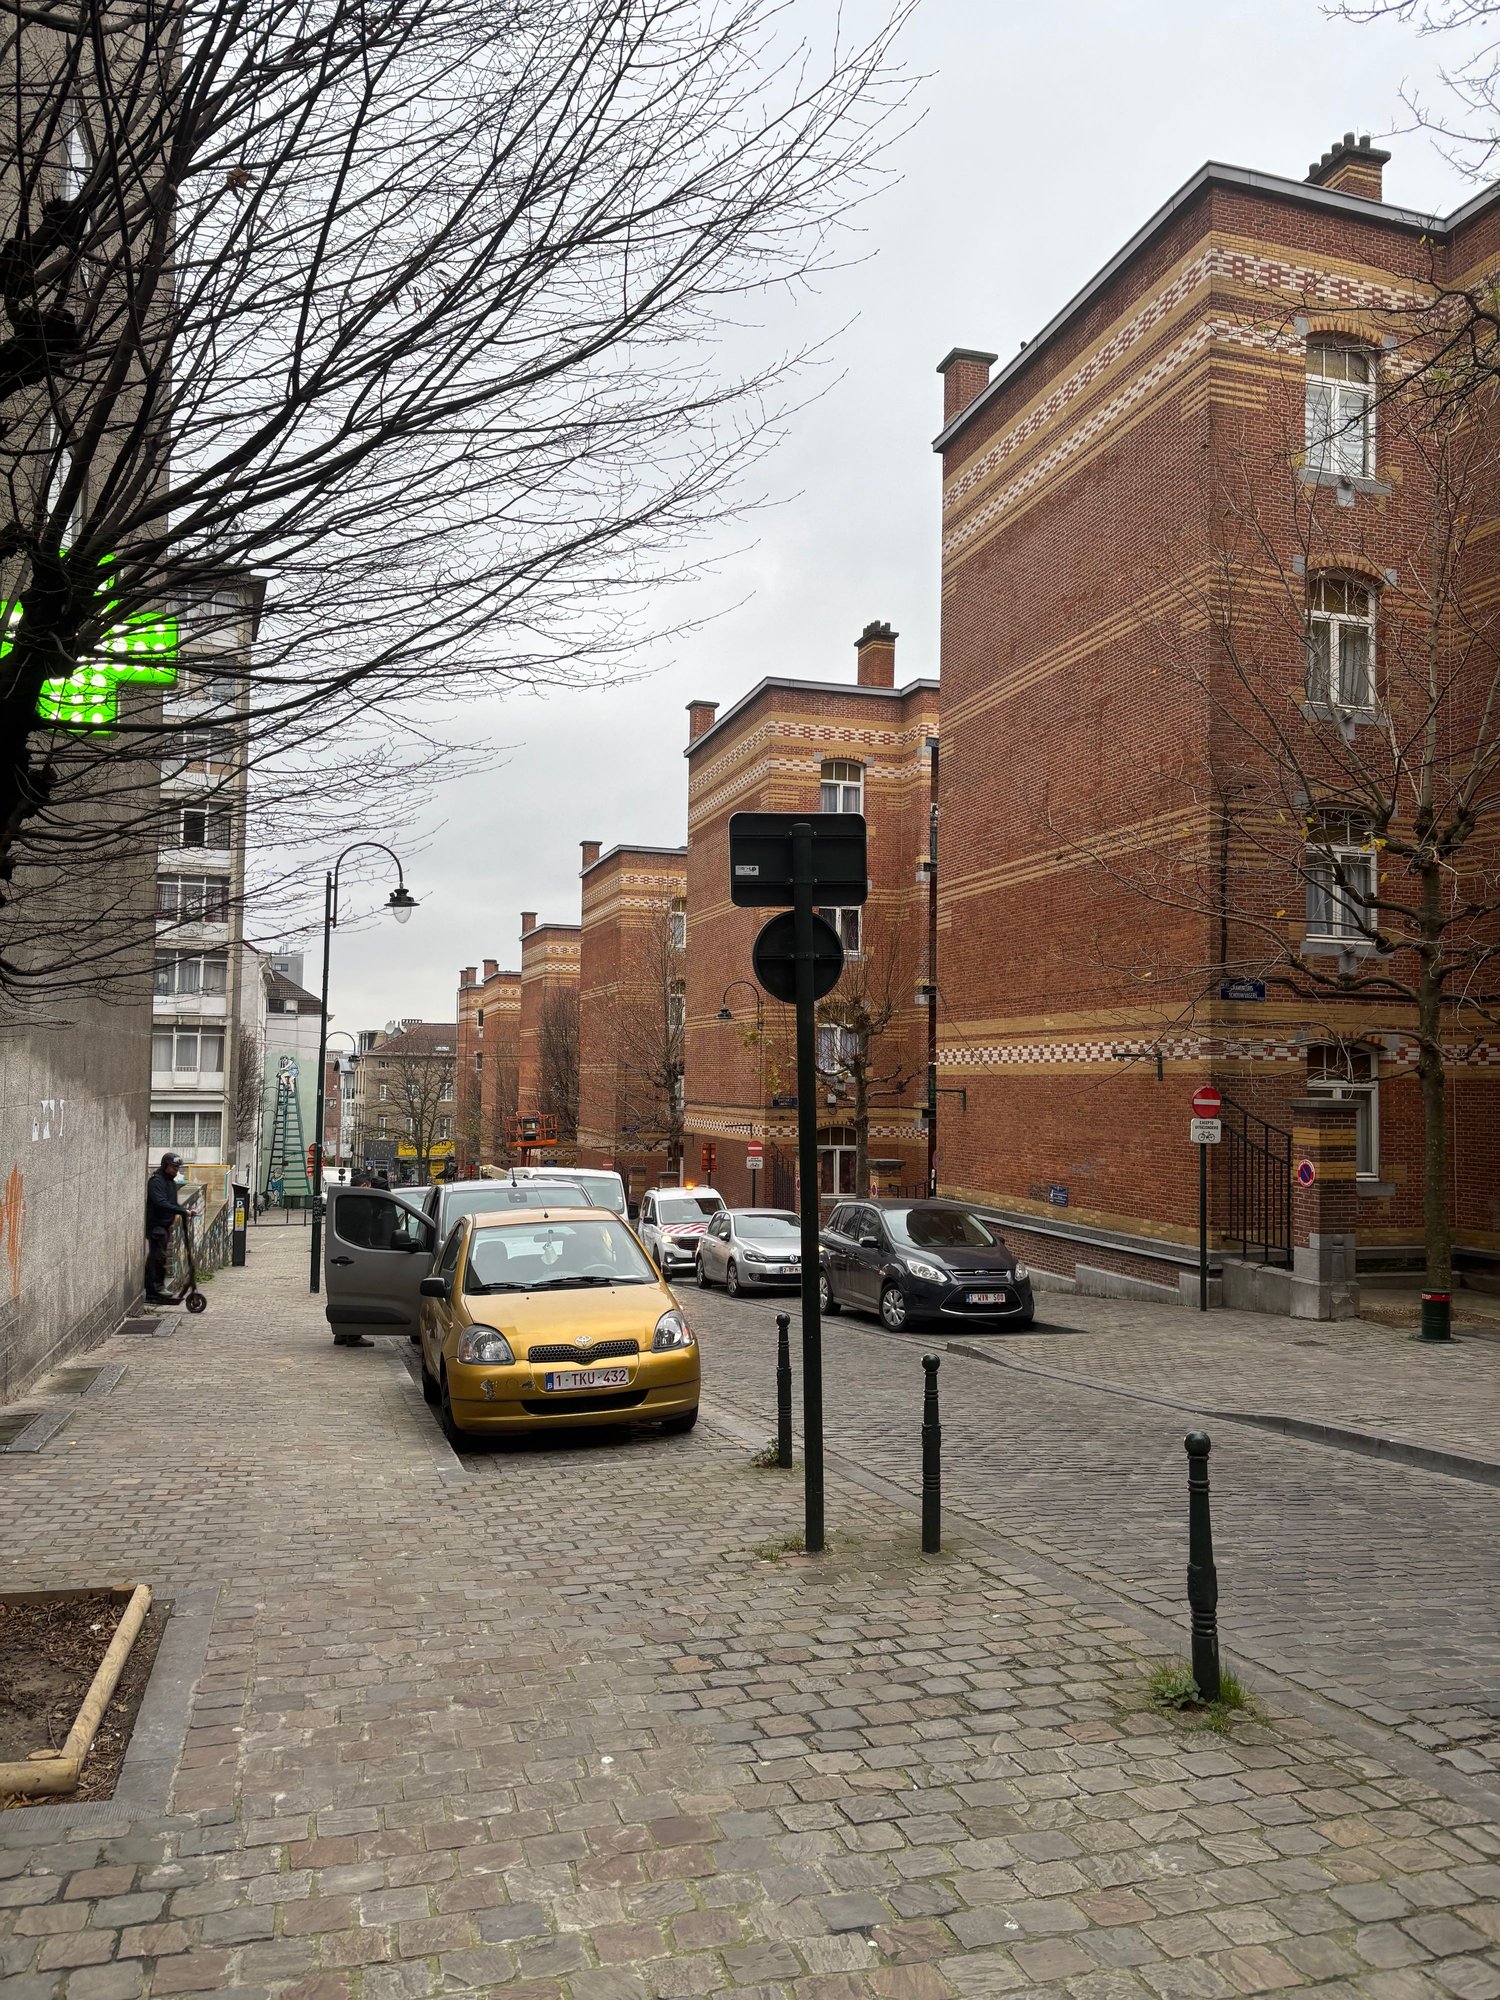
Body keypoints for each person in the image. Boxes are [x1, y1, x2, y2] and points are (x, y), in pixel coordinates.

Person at [145, 1152, 186, 1304]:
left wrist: (184, 1210)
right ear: (165, 1166)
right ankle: (154, 1290)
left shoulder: (170, 1183)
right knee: (158, 1257)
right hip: (156, 1226)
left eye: (177, 1167)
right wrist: (180, 1210)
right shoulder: (156, 1182)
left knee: (157, 1257)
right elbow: (160, 1202)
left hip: (165, 1225)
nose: (176, 1170)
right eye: (174, 1167)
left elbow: (173, 1203)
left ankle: (154, 1288)